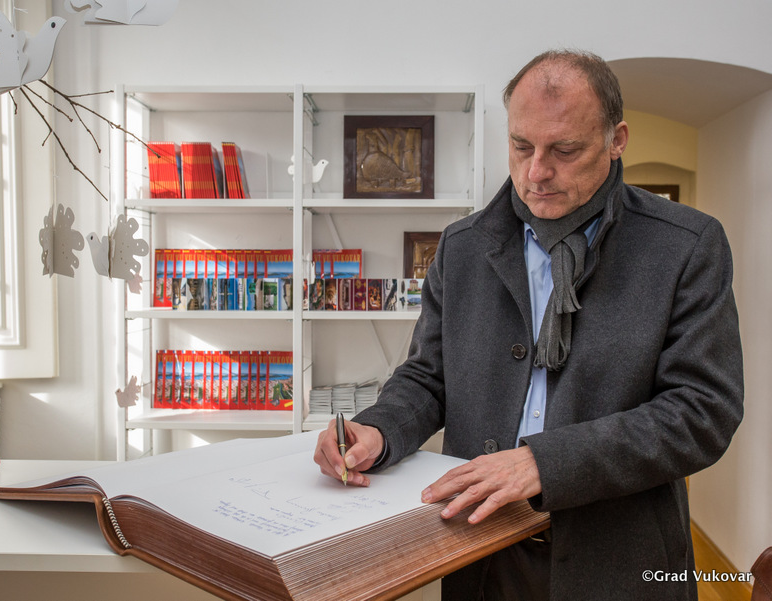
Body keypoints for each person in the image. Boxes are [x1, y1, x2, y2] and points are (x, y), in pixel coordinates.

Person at [313, 49, 743, 601]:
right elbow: (428, 377)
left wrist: (545, 463)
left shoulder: (686, 245)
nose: (536, 172)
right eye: (521, 146)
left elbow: (703, 411)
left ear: (616, 140)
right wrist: (379, 428)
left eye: (565, 150)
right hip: (480, 554)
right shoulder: (462, 247)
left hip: (620, 563)